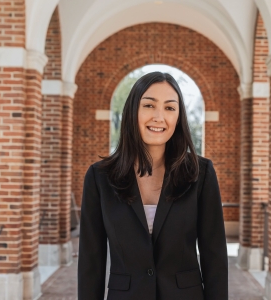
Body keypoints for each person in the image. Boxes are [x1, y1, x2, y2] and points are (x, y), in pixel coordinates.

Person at [78, 72, 228, 300]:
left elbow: (214, 258)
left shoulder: (201, 174)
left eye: (169, 108)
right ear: (132, 111)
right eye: (149, 105)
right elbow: (91, 261)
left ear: (178, 117)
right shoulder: (99, 178)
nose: (159, 117)